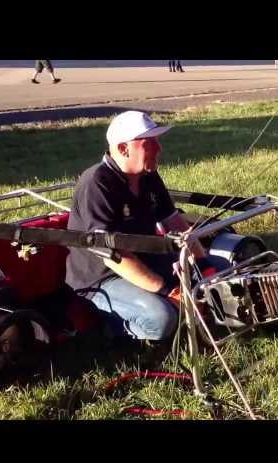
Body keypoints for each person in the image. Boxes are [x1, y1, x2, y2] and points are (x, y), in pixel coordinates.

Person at [65, 110, 213, 342]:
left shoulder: (148, 175)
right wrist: (168, 291)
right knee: (162, 318)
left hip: (146, 260)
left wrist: (205, 266)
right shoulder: (96, 183)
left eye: (158, 141)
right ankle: (111, 330)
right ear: (123, 149)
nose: (159, 148)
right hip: (103, 278)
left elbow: (174, 221)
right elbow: (112, 255)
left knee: (220, 274)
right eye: (149, 143)